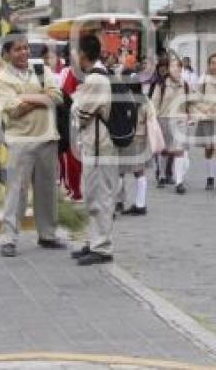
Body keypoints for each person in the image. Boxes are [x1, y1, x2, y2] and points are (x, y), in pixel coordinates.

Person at [0, 30, 65, 258]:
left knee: (47, 191)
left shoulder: (41, 70)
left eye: (25, 47)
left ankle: (47, 235)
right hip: (20, 142)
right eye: (18, 49)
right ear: (7, 53)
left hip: (47, 138)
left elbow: (57, 97)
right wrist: (40, 97)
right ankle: (8, 238)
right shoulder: (3, 78)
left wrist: (26, 97)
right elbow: (13, 110)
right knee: (17, 191)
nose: (24, 52)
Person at [69, 35, 117, 266]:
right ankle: (94, 240)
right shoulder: (98, 76)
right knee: (92, 195)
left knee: (100, 196)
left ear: (84, 54)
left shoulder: (96, 80)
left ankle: (102, 247)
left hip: (100, 145)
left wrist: (76, 101)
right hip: (96, 144)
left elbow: (81, 113)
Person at [151, 54, 192, 194]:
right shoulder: (161, 84)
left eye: (178, 67)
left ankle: (179, 182)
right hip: (164, 119)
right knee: (165, 151)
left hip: (180, 120)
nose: (176, 69)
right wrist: (153, 120)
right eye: (173, 66)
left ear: (181, 69)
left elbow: (190, 102)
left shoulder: (185, 85)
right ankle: (162, 175)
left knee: (179, 150)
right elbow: (154, 104)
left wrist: (190, 115)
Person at [117, 77, 157, 216]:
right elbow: (151, 118)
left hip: (125, 138)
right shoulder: (145, 100)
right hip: (141, 139)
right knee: (139, 172)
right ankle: (141, 204)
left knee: (119, 171)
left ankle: (117, 202)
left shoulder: (122, 99)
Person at [195, 53, 216, 195]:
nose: (215, 65)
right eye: (213, 63)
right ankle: (210, 177)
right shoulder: (202, 80)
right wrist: (205, 109)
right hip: (206, 117)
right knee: (209, 149)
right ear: (209, 65)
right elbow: (196, 98)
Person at [58, 45, 83, 202]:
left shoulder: (78, 72)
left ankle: (75, 191)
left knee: (72, 156)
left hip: (74, 117)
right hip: (67, 116)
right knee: (67, 156)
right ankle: (70, 188)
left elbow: (72, 94)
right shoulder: (66, 71)